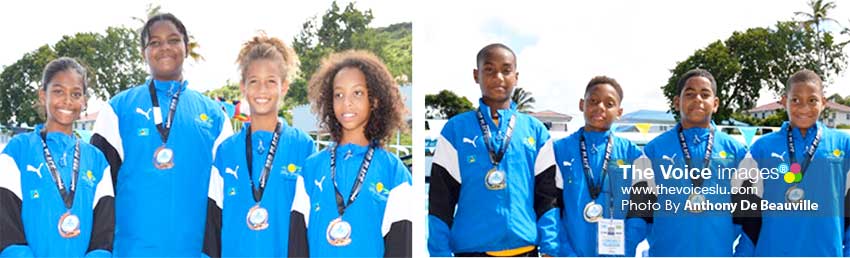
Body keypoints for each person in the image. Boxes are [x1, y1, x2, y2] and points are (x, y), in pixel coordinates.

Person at [89, 13, 232, 256]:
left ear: (186, 48)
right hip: (130, 250)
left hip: (194, 250)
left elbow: (223, 197)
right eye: (154, 42)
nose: (164, 47)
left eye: (173, 40)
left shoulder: (215, 117)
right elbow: (98, 191)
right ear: (143, 52)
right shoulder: (118, 109)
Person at [428, 43, 550, 256]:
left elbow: (548, 198)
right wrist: (439, 252)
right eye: (489, 70)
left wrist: (551, 247)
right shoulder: (456, 130)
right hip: (471, 250)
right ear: (476, 75)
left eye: (506, 70)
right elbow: (440, 200)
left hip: (526, 249)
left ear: (516, 76)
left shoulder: (536, 131)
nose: (499, 77)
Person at [204, 33, 314, 257]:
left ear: (284, 87)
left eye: (271, 81)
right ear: (243, 87)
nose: (262, 90)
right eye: (254, 81)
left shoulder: (303, 147)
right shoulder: (226, 152)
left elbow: (312, 224)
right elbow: (212, 224)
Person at [628, 68, 757, 256]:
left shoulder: (737, 152)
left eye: (705, 94)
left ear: (715, 104)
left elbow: (751, 218)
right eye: (689, 94)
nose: (697, 99)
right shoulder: (653, 151)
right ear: (676, 102)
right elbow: (639, 215)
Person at [0, 57, 114, 257]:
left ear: (84, 101)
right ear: (43, 96)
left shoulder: (97, 161)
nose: (67, 101)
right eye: (58, 91)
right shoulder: (17, 151)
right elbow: (6, 226)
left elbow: (103, 236)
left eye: (76, 94)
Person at [302, 50, 412, 257]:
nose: (347, 103)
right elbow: (298, 243)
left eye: (358, 93)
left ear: (375, 100)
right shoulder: (311, 167)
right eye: (339, 94)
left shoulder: (393, 171)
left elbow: (401, 246)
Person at [534, 76, 645, 256]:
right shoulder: (558, 151)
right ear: (581, 104)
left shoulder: (634, 155)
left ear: (619, 111)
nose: (600, 107)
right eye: (593, 101)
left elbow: (643, 209)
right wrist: (562, 250)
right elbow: (549, 204)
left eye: (609, 104)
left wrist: (626, 248)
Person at [747, 69, 850, 256]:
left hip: (825, 251)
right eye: (795, 100)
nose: (804, 107)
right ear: (784, 101)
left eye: (812, 100)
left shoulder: (843, 144)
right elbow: (747, 209)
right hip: (773, 251)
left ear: (824, 103)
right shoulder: (761, 148)